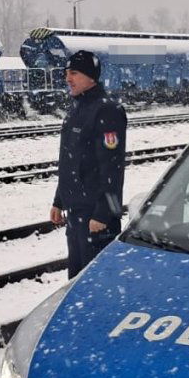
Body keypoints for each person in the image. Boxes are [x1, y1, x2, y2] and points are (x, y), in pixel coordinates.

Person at [50, 50, 127, 278]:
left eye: (74, 73)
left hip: (96, 218)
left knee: (98, 285)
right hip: (76, 215)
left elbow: (112, 167)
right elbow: (70, 161)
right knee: (75, 281)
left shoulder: (107, 110)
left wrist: (104, 213)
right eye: (66, 73)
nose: (67, 78)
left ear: (91, 76)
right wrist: (59, 200)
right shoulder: (76, 110)